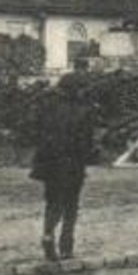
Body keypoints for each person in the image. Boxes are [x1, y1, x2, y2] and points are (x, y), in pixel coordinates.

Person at [30, 77, 98, 261]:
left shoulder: (47, 108)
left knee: (52, 202)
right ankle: (66, 245)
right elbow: (87, 142)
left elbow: (35, 131)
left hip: (49, 162)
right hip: (72, 163)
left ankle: (47, 235)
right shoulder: (84, 111)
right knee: (71, 204)